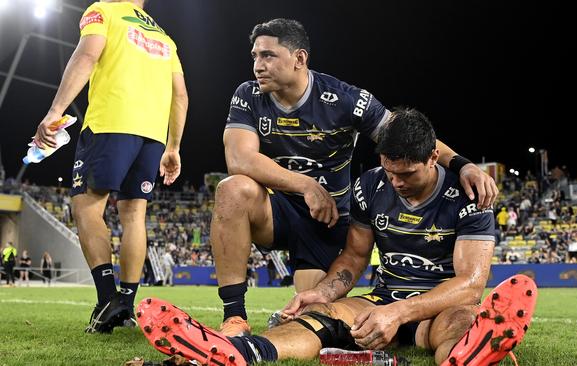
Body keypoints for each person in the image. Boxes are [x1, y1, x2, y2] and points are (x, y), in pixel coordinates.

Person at [138, 108, 536, 366]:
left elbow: (470, 284)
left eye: (407, 174)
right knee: (320, 317)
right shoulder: (371, 186)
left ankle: (468, 356)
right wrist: (325, 292)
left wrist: (399, 313)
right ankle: (241, 352)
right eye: (389, 170)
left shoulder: (469, 194)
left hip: (437, 305)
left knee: (461, 321)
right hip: (382, 299)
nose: (396, 182)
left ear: (434, 157)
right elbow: (354, 257)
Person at [211, 18, 499, 336]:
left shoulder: (345, 99)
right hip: (280, 211)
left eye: (268, 56)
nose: (257, 65)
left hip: (329, 220)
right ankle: (234, 316)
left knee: (311, 320)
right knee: (232, 189)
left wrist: (463, 164)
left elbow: (405, 135)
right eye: (254, 56)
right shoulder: (247, 95)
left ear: (299, 58)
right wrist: (306, 185)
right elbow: (239, 158)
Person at [31, 0, 188, 333]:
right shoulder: (164, 37)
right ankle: (127, 307)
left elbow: (87, 56)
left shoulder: (102, 10)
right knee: (134, 216)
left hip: (111, 124)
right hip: (152, 136)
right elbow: (180, 96)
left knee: (87, 207)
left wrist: (55, 111)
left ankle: (107, 299)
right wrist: (172, 147)